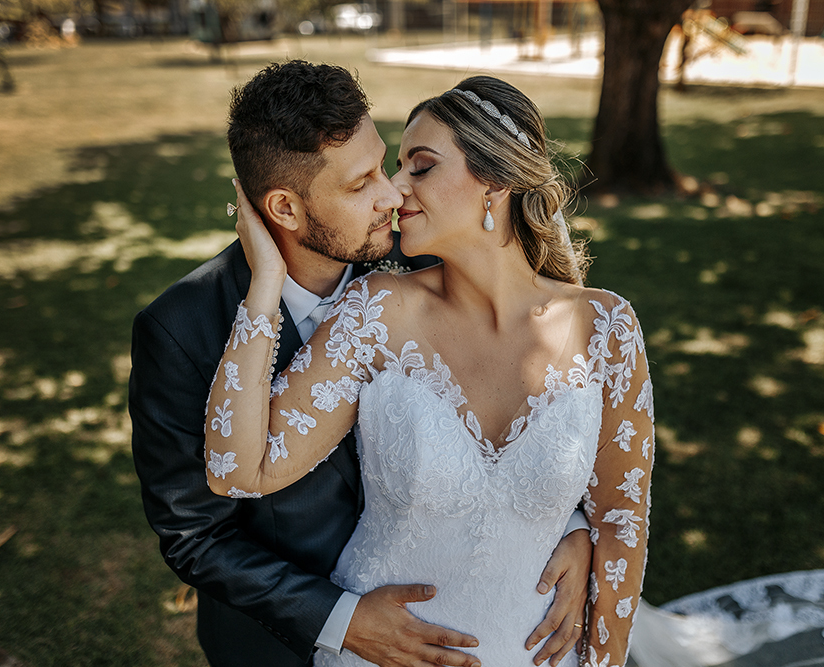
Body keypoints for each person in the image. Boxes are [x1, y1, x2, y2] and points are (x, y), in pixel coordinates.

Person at [130, 61, 591, 667]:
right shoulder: (180, 330)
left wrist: (571, 524)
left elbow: (531, 383)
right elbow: (195, 537)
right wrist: (339, 620)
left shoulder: (416, 263)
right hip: (279, 644)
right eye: (361, 183)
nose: (392, 194)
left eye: (386, 164)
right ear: (285, 211)